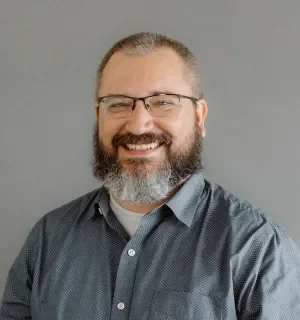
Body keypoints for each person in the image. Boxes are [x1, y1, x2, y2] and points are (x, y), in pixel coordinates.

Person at [1, 32, 300, 320]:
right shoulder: (48, 239)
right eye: (118, 103)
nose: (138, 125)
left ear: (199, 116)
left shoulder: (257, 249)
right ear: (98, 115)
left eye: (163, 101)